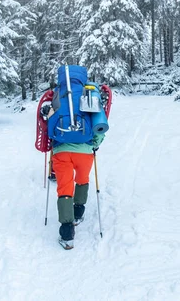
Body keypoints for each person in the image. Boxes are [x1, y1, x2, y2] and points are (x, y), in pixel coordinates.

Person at [41, 79, 106, 250]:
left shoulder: (57, 95)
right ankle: (78, 214)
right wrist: (95, 144)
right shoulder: (89, 94)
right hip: (85, 152)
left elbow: (49, 124)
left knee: (65, 187)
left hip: (61, 151)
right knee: (82, 180)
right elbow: (99, 124)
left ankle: (67, 235)